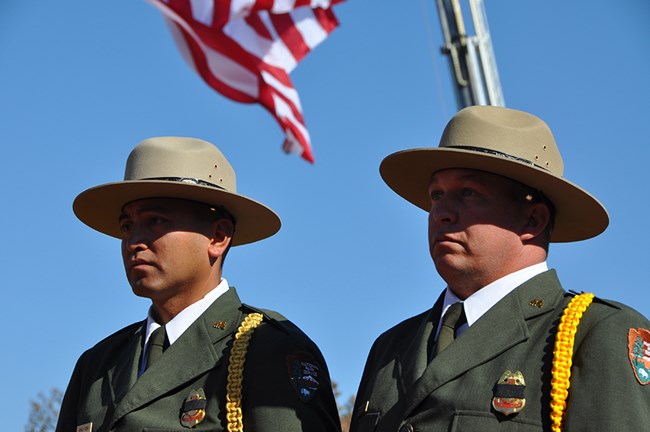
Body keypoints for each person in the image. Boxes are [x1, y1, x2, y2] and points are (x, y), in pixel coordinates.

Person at [350, 106, 650, 432]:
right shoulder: (390, 347)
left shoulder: (593, 333)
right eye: (436, 194)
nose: (441, 213)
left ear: (532, 220)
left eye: (469, 193)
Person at [56, 136, 341, 432]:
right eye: (127, 225)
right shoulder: (97, 365)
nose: (133, 242)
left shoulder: (266, 348)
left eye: (155, 220)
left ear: (218, 237)